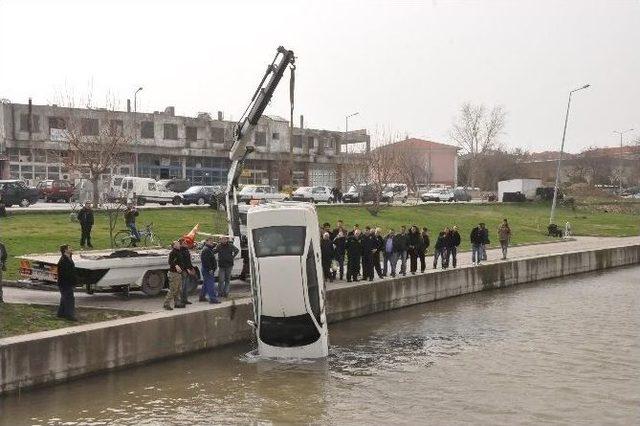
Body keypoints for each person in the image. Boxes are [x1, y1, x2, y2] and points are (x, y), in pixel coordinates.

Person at [56, 245, 77, 321]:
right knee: (69, 299)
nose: (72, 249)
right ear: (65, 250)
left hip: (65, 283)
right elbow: (66, 274)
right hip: (65, 283)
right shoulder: (63, 261)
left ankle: (61, 313)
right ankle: (70, 315)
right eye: (69, 248)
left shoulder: (68, 258)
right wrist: (72, 282)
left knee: (64, 298)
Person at [164, 241, 185, 310]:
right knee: (173, 289)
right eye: (177, 244)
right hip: (174, 273)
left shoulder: (179, 251)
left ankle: (177, 303)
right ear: (174, 246)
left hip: (179, 273)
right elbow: (170, 261)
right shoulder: (173, 252)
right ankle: (166, 303)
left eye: (179, 244)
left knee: (178, 289)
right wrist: (176, 265)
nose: (179, 244)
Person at [200, 237, 220, 303]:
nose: (212, 243)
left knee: (206, 283)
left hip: (207, 269)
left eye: (212, 241)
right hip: (208, 269)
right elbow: (206, 261)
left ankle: (202, 297)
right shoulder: (206, 250)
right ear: (206, 242)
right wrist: (210, 269)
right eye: (210, 242)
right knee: (210, 284)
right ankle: (213, 299)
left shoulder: (208, 249)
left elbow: (214, 245)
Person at [179, 238, 196, 305]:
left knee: (186, 286)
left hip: (187, 270)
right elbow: (182, 262)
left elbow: (188, 261)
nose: (186, 244)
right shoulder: (180, 251)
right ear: (181, 244)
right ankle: (181, 300)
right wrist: (187, 269)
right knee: (182, 286)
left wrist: (192, 268)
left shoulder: (186, 250)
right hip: (183, 271)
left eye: (186, 243)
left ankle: (185, 299)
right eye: (184, 243)